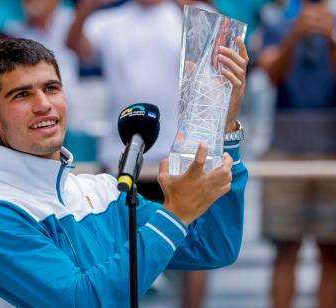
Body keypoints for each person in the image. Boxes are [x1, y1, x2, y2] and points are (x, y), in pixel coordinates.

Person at [0, 37, 248, 307]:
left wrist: (225, 129)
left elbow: (213, 246)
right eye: (22, 95)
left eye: (51, 88)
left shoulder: (105, 192)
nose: (43, 105)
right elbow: (82, 301)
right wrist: (176, 214)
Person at [66, 2, 230, 305]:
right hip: (122, 151)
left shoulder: (183, 13)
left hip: (178, 150)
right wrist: (86, 6)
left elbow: (216, 38)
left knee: (192, 235)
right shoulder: (108, 19)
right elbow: (76, 47)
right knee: (117, 242)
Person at [257, 1, 336, 307]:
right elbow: (272, 76)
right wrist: (294, 37)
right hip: (285, 152)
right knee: (283, 249)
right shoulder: (278, 28)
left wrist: (333, 39)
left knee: (333, 250)